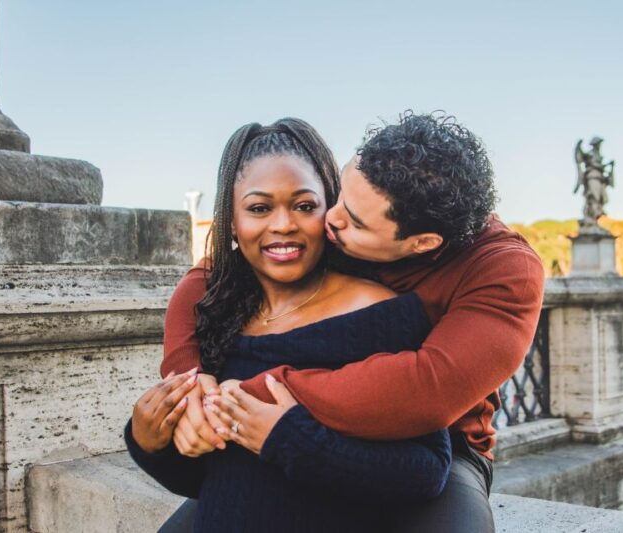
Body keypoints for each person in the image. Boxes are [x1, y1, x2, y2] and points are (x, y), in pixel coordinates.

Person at [162, 111, 545, 532]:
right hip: (299, 422)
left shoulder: (504, 270)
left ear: (422, 244)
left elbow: (427, 391)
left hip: (442, 443)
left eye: (355, 220)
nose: (331, 218)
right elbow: (209, 274)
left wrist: (248, 395)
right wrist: (190, 380)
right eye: (339, 195)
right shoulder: (351, 211)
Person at [126, 118, 453, 533]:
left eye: (304, 206)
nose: (283, 225)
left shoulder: (380, 313)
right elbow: (208, 480)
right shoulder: (219, 315)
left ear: (330, 209)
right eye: (259, 208)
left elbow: (426, 473)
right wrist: (148, 441)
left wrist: (287, 439)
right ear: (231, 219)